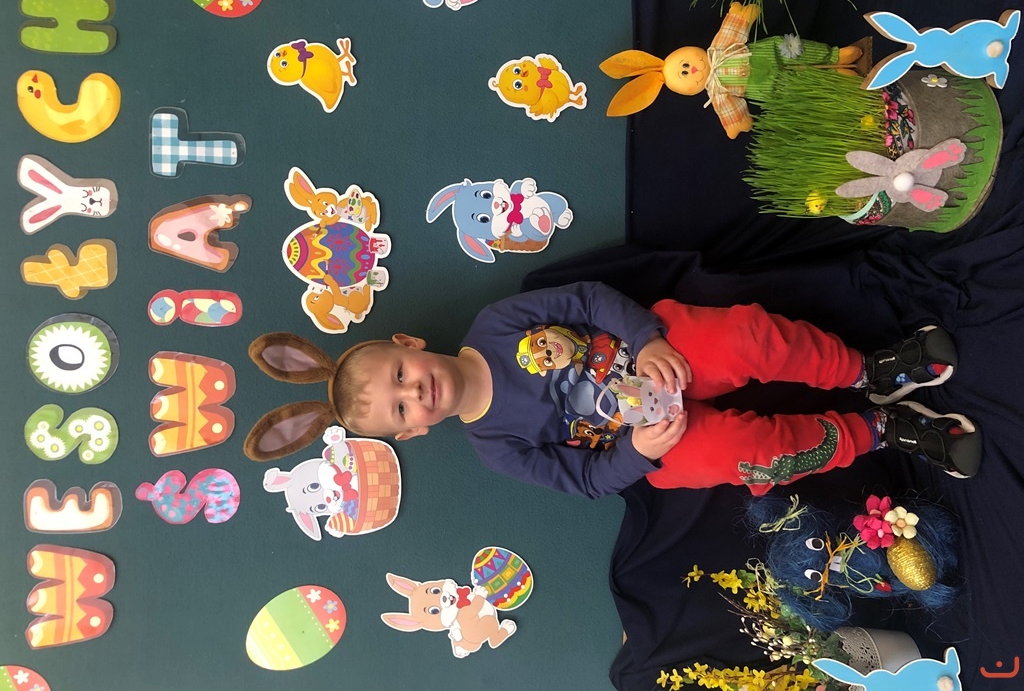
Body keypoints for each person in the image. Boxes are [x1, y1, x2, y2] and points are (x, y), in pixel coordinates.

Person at [245, 281, 982, 498]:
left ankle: (868, 373)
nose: (417, 392)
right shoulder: (496, 446)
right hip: (651, 442)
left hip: (655, 352)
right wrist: (640, 452)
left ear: (409, 345)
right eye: (403, 408)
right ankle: (881, 432)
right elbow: (588, 480)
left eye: (401, 375)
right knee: (751, 456)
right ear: (412, 432)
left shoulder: (495, 322)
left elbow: (590, 300)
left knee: (748, 338)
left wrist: (647, 340)